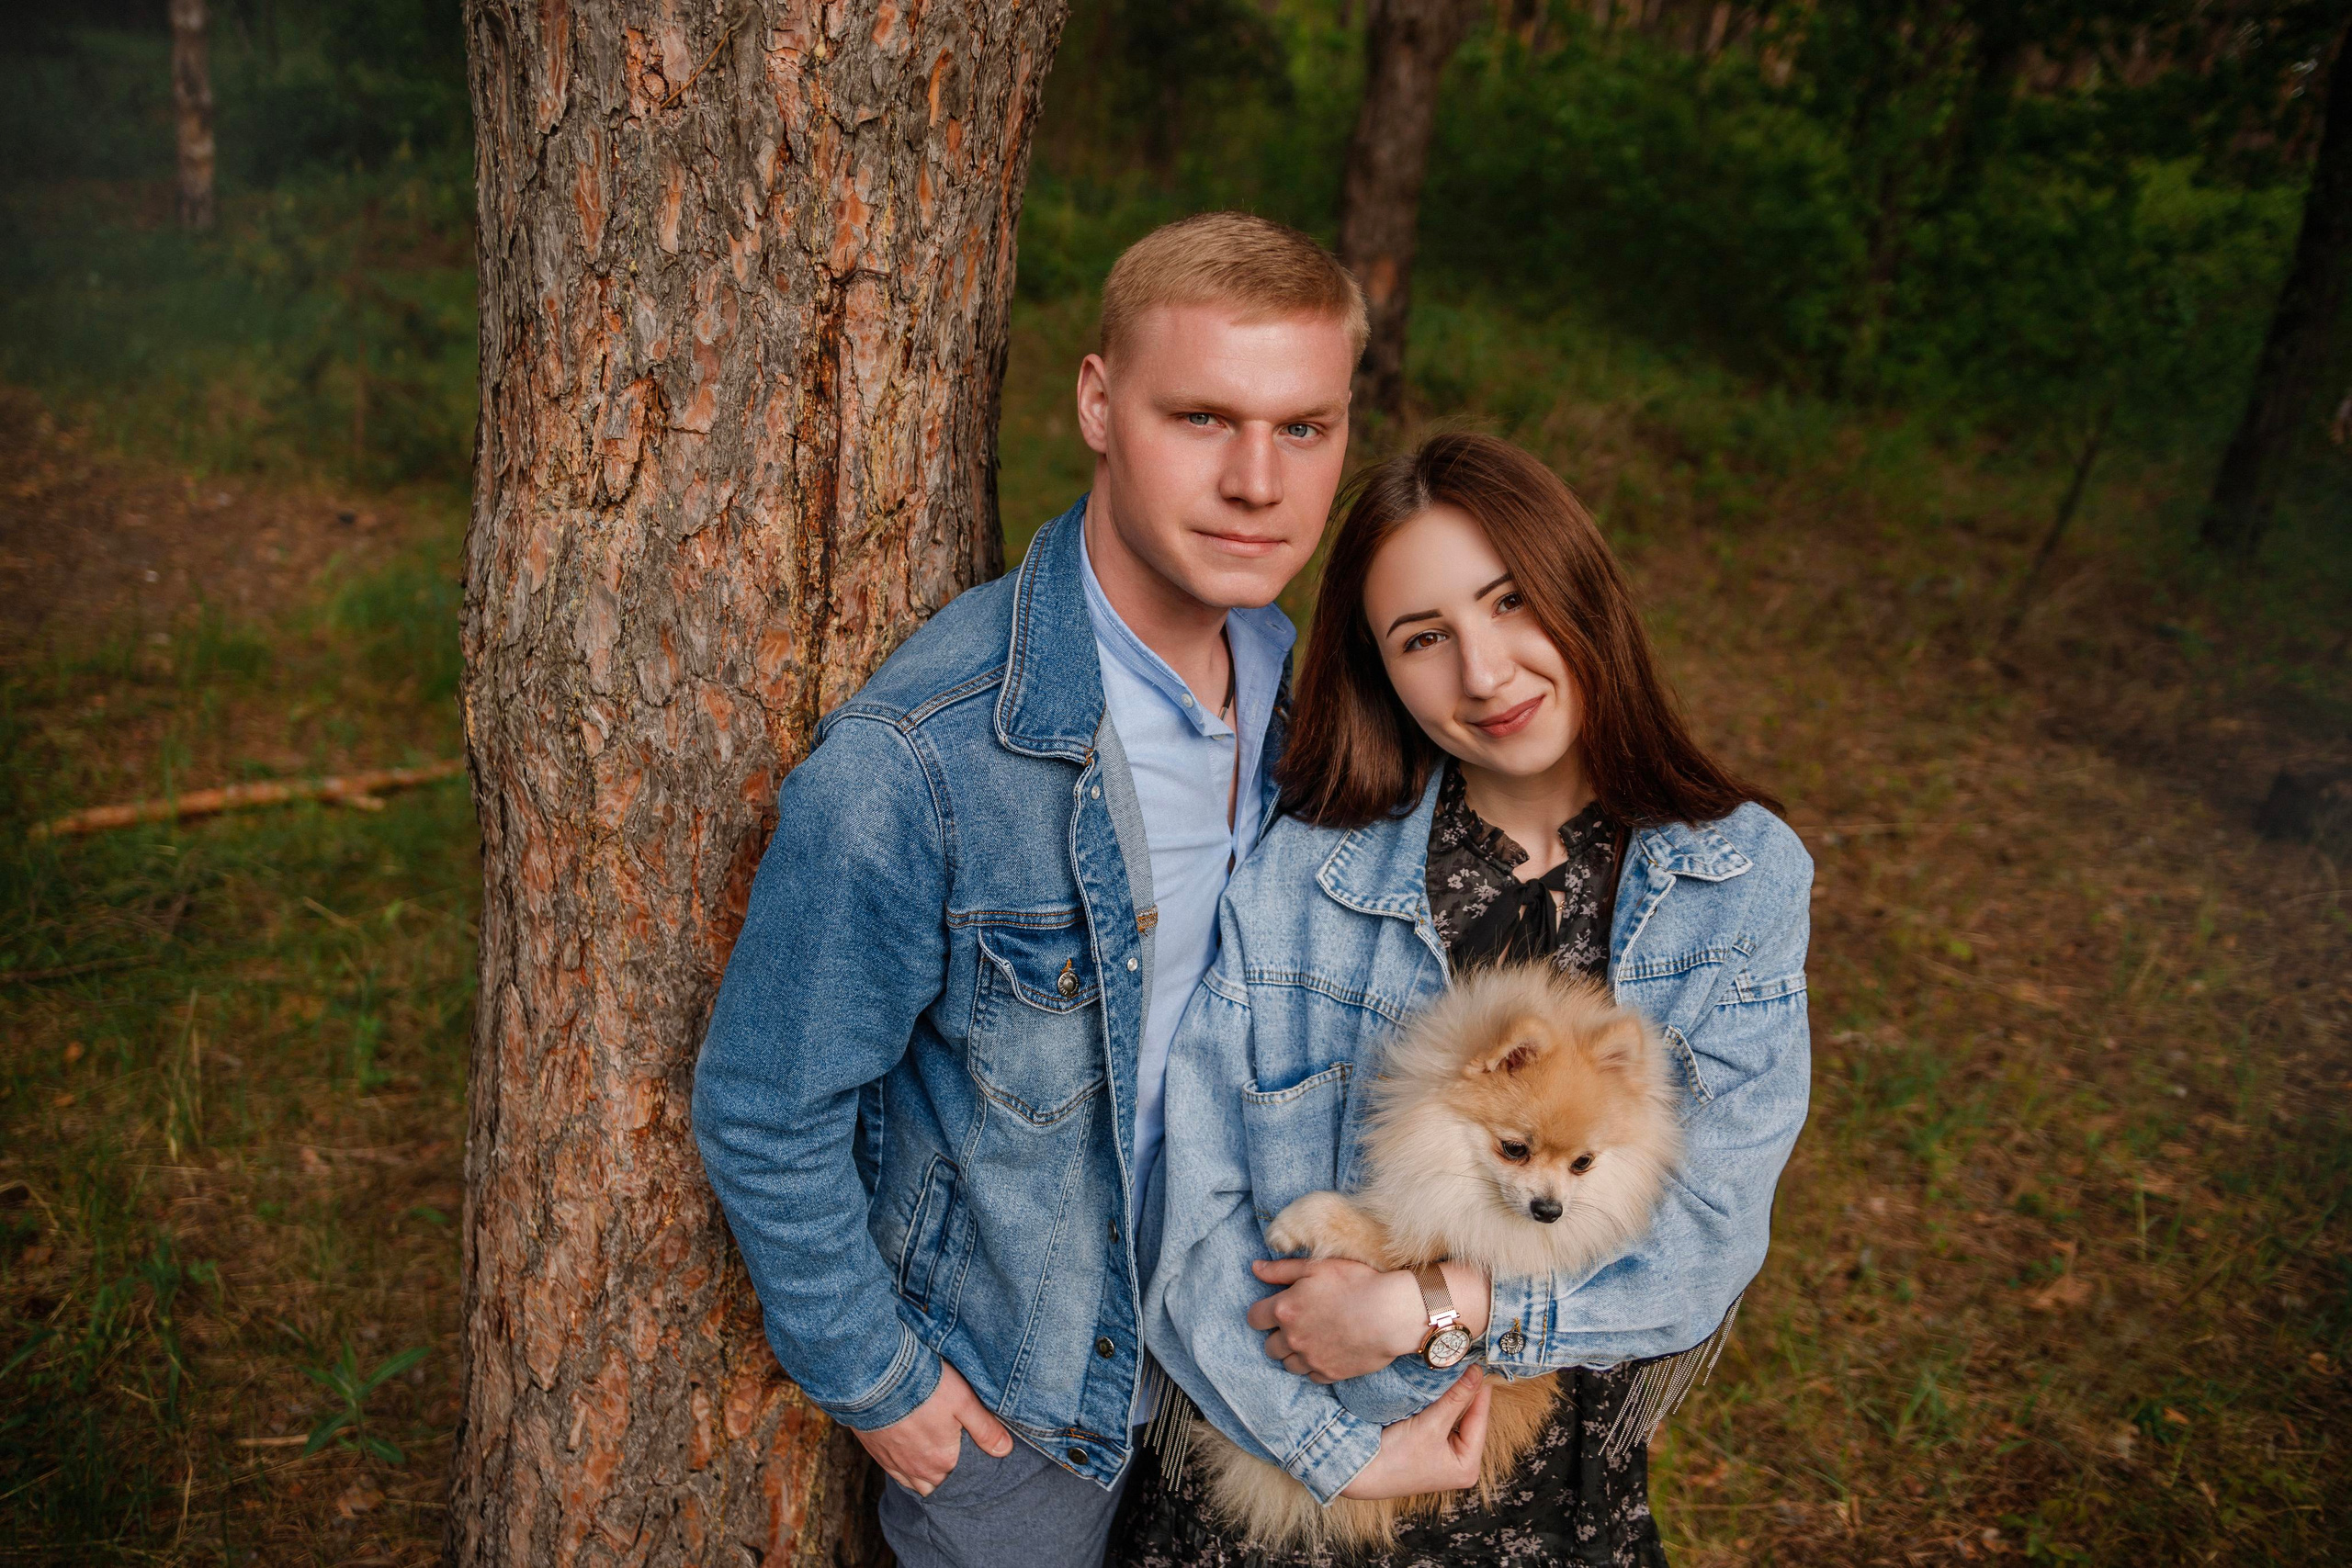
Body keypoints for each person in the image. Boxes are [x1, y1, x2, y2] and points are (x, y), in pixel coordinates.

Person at [692, 212, 1377, 1568]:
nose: (1259, 480)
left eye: (1305, 427)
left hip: (1248, 1369)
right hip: (1028, 1417)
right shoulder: (925, 760)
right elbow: (765, 1101)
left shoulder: (1312, 693)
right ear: (1098, 404)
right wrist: (891, 1393)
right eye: (1202, 416)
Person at [1113, 433, 1815, 1567]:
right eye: (1422, 639)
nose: (1482, 674)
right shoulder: (1302, 876)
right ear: (1379, 670)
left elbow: (1706, 1240)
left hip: (1543, 1503)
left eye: (1510, 604)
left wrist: (1434, 1307)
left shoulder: (1736, 882)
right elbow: (1188, 1203)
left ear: (1583, 598)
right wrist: (1330, 1452)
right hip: (1277, 1490)